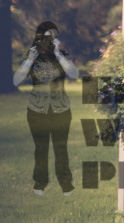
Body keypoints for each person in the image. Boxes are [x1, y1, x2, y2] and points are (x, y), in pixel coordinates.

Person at [13, 21, 79, 196]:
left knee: (61, 148)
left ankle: (66, 183)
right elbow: (16, 80)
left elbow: (74, 74)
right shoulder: (31, 55)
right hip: (37, 110)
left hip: (61, 109)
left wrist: (58, 53)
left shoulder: (62, 54)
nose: (49, 40)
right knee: (40, 148)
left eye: (53, 36)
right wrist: (29, 60)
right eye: (45, 36)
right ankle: (40, 183)